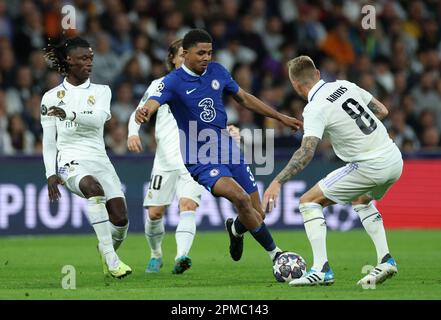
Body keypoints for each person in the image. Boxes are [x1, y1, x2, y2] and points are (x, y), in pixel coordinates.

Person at [136, 29, 303, 268]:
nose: (206, 57)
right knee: (241, 199)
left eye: (210, 52)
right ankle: (277, 255)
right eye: (200, 53)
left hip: (227, 148)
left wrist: (280, 117)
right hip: (200, 157)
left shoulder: (217, 71)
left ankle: (235, 230)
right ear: (185, 53)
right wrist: (145, 112)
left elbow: (244, 97)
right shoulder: (172, 82)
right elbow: (153, 102)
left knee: (257, 214)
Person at [262, 56, 402, 286]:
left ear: (296, 86)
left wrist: (277, 181)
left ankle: (321, 269)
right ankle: (386, 260)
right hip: (394, 158)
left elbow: (306, 153)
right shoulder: (345, 85)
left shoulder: (315, 108)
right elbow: (382, 110)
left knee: (308, 202)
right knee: (361, 200)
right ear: (317, 73)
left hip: (370, 166)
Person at [40, 37, 131, 279]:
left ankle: (106, 250)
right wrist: (50, 173)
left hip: (99, 158)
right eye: (83, 59)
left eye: (90, 58)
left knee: (121, 220)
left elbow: (99, 118)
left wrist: (69, 113)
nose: (89, 63)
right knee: (93, 188)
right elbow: (49, 142)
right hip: (70, 159)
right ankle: (112, 261)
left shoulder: (102, 91)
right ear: (69, 61)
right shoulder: (51, 97)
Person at [127, 39, 206, 274]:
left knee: (188, 205)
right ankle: (156, 254)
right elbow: (139, 112)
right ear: (172, 59)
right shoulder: (160, 85)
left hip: (194, 159)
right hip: (165, 161)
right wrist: (133, 133)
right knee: (154, 213)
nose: (186, 58)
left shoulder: (204, 85)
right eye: (182, 55)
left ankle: (182, 256)